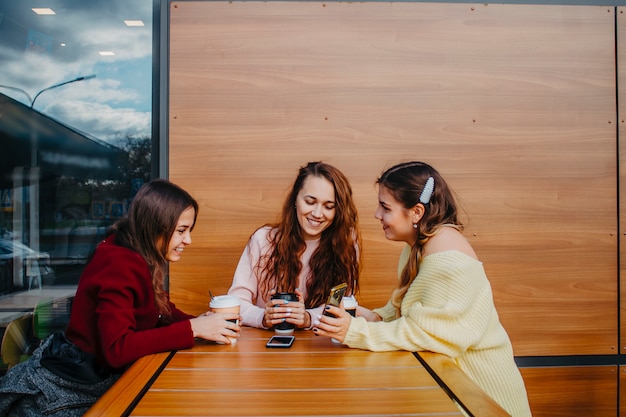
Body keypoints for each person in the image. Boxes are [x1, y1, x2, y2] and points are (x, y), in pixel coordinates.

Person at [0, 179, 240, 416]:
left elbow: (158, 310)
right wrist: (192, 328)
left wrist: (201, 322)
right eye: (181, 231)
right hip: (69, 390)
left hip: (92, 379)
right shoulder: (119, 263)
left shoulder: (137, 254)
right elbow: (116, 349)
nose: (188, 240)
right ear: (155, 226)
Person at [313, 161, 532, 417]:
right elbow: (416, 309)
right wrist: (376, 317)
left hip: (480, 398)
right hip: (452, 386)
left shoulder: (448, 260)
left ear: (416, 212)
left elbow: (428, 333)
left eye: (385, 207)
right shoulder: (419, 246)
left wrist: (356, 331)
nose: (376, 214)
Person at [228, 161, 361, 331]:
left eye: (329, 206)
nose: (318, 214)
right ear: (295, 199)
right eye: (310, 202)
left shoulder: (346, 243)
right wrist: (263, 317)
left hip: (321, 346)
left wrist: (307, 318)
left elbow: (342, 304)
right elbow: (236, 301)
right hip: (268, 345)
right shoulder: (263, 239)